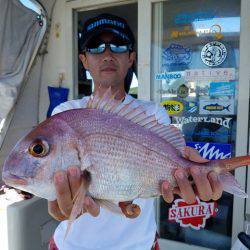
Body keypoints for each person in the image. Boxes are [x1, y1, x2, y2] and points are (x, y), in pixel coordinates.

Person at [48, 13, 223, 250]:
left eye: (118, 46)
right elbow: (54, 203)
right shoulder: (65, 113)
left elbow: (172, 170)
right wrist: (59, 209)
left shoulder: (153, 113)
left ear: (131, 58)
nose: (107, 54)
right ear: (84, 60)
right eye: (96, 47)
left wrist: (194, 178)